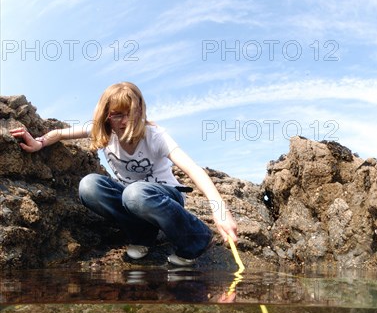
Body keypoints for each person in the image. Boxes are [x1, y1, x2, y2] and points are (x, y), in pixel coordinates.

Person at [10, 81, 238, 265]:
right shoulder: (105, 132)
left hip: (166, 197)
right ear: (106, 115)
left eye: (132, 112)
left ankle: (195, 238)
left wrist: (219, 209)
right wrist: (38, 143)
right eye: (118, 114)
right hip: (132, 199)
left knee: (135, 193)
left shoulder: (155, 136)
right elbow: (59, 133)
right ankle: (143, 235)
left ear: (140, 110)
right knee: (89, 186)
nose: (125, 121)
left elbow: (193, 169)